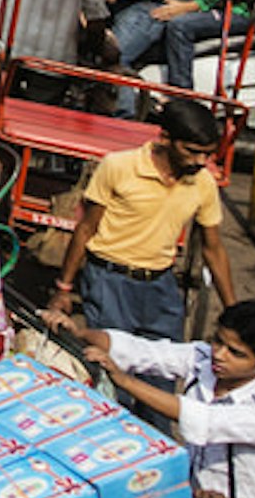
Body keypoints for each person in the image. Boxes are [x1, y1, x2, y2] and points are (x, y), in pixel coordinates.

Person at [55, 296, 255, 498]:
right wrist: (79, 334)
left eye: (236, 353)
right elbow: (139, 350)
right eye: (218, 341)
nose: (219, 354)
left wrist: (124, 381)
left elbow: (203, 419)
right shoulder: (203, 359)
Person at [61, 96, 236, 341]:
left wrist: (233, 311)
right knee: (113, 363)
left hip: (161, 285)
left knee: (165, 366)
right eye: (192, 152)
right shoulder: (118, 166)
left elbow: (213, 249)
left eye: (206, 155)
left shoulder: (204, 182)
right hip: (109, 280)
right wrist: (64, 288)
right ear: (165, 138)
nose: (200, 162)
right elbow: (86, 229)